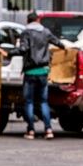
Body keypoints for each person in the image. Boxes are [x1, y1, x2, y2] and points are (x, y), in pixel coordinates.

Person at [17, 12, 66, 140]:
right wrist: (65, 47)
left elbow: (23, 49)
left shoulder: (25, 32)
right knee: (44, 101)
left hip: (30, 72)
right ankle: (48, 129)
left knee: (29, 102)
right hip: (43, 71)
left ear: (28, 21)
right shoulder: (46, 32)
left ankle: (31, 131)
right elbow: (58, 42)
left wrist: (10, 52)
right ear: (38, 20)